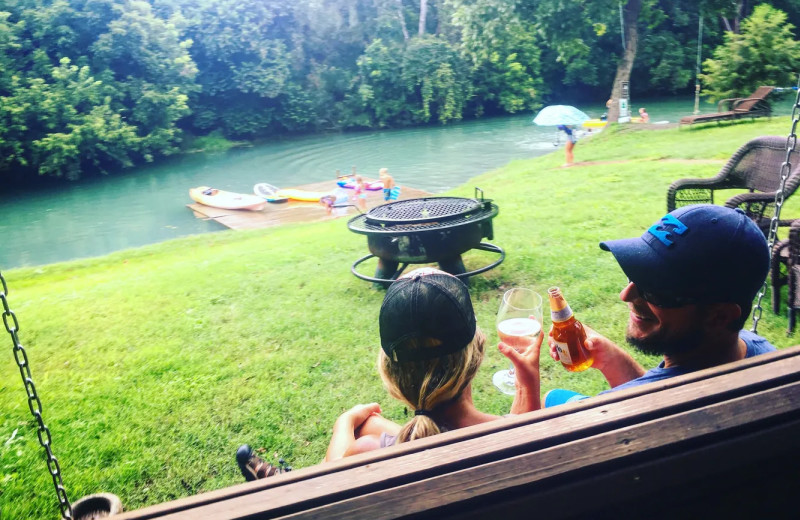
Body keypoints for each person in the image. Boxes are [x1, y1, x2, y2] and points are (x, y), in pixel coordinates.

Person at [237, 268, 534, 479]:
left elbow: (329, 481)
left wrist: (343, 423)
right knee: (372, 424)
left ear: (390, 374)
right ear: (478, 352)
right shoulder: (521, 433)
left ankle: (291, 485)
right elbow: (524, 433)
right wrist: (529, 390)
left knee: (360, 427)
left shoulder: (365, 454)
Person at [501, 204, 776, 411]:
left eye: (654, 289)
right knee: (555, 397)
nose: (626, 294)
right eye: (635, 277)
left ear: (719, 316)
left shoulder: (607, 416)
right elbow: (657, 391)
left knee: (548, 399)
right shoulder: (759, 352)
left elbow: (514, 466)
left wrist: (525, 388)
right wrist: (611, 359)